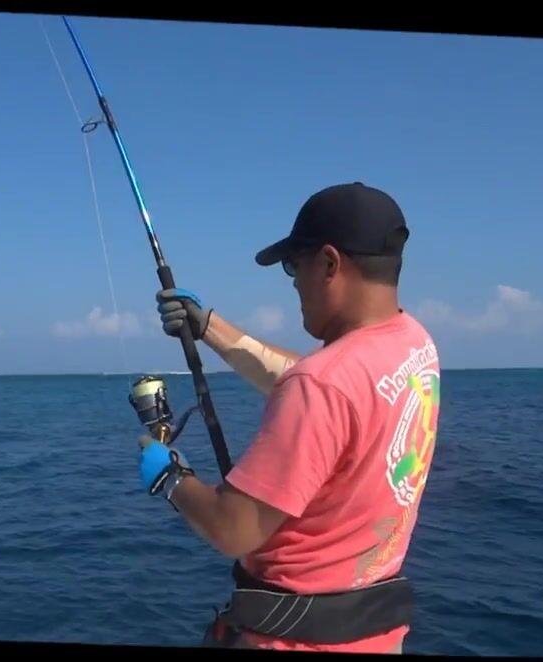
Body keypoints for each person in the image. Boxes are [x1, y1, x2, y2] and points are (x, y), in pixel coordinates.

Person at [137, 182, 441, 654]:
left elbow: (233, 529)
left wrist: (170, 477)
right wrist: (209, 328)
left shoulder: (321, 385)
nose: (294, 283)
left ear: (329, 264)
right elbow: (328, 387)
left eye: (294, 266)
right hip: (376, 635)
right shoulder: (413, 343)